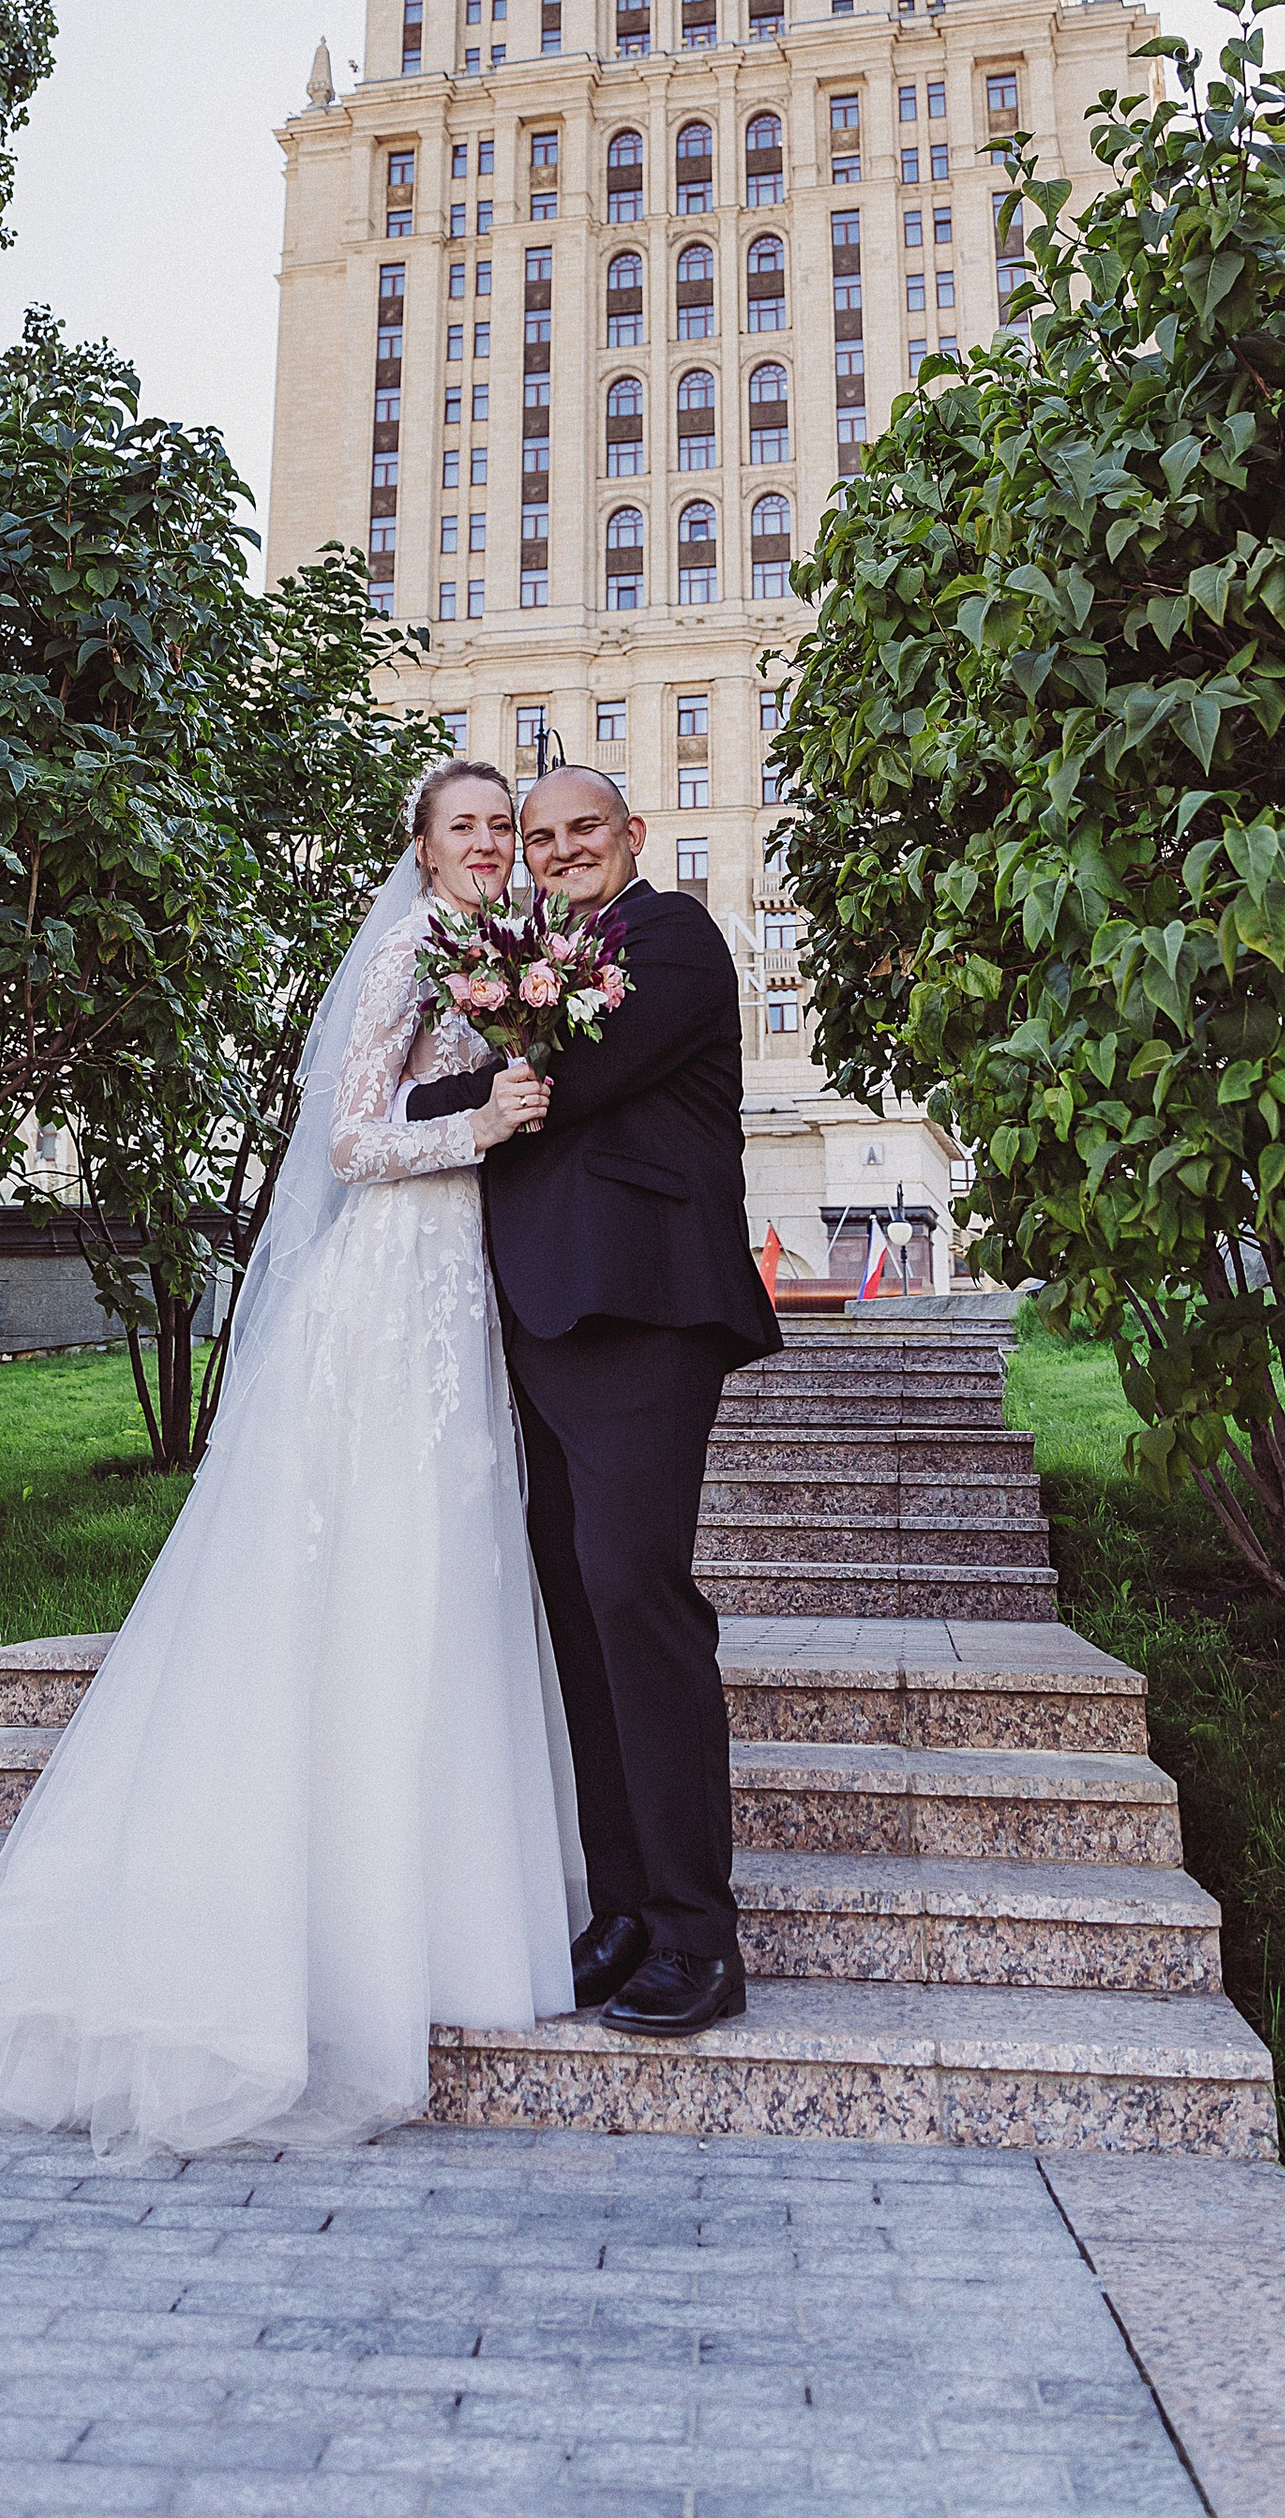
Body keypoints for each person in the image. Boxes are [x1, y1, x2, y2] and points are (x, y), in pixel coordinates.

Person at [0, 759, 581, 2154]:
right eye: (466, 827)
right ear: (420, 846)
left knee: (452, 1559)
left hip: (457, 1285)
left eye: (504, 826)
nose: (491, 844)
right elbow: (351, 1139)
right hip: (385, 1287)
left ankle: (447, 1918)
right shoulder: (406, 952)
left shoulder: (507, 953)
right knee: (370, 1556)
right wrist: (482, 1121)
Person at [404, 765, 778, 2035]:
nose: (556, 849)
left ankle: (696, 1934)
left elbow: (562, 1082)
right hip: (543, 1320)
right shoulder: (527, 957)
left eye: (580, 830)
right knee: (580, 1613)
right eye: (537, 833)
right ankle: (619, 1910)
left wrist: (424, 1107)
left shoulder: (668, 939)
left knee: (636, 1594)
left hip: (642, 1311)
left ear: (630, 836)